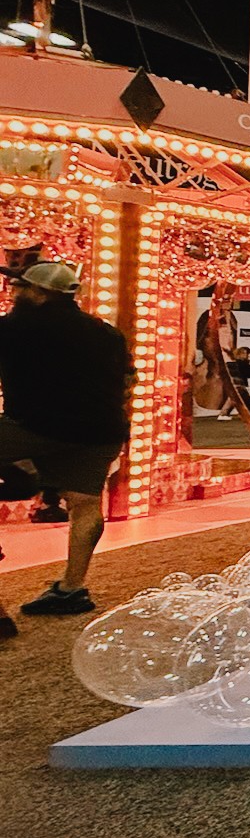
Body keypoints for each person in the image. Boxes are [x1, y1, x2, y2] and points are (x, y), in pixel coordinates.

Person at [0, 260, 132, 630]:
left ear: (39, 293)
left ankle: (23, 470)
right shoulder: (106, 333)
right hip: (100, 432)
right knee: (86, 504)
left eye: (19, 288)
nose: (13, 293)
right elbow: (126, 380)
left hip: (35, 428)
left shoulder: (13, 329)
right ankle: (72, 588)